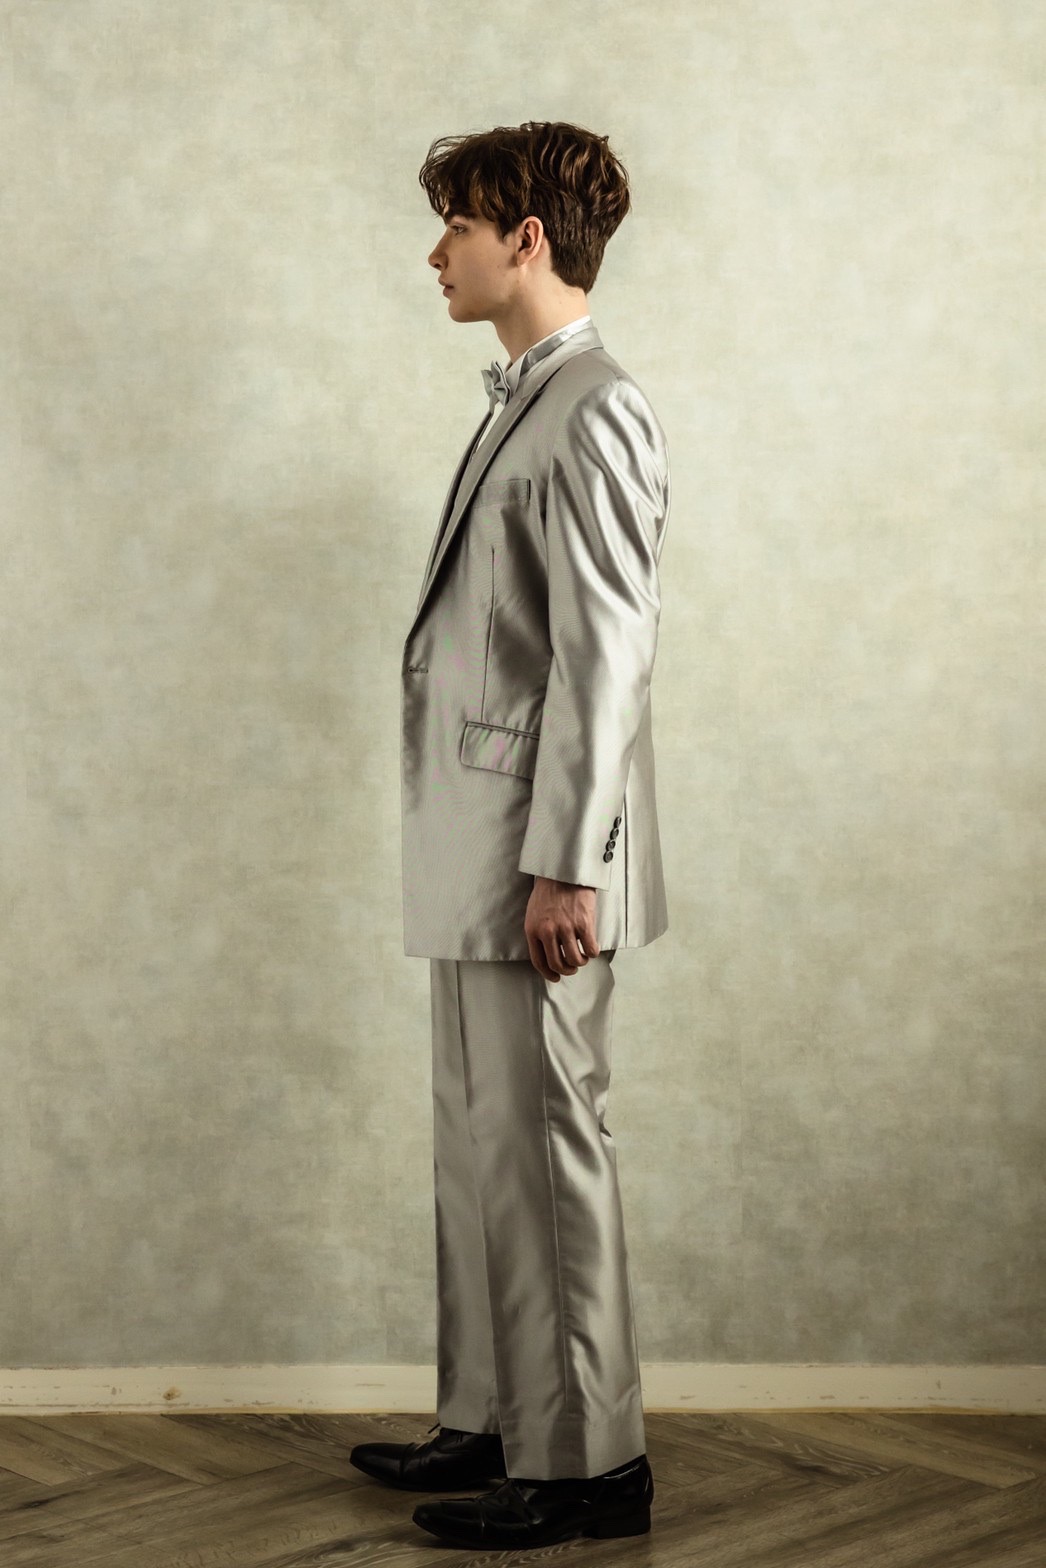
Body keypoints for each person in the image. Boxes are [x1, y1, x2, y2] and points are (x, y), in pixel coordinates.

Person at [350, 119, 671, 1552]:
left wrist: (568, 867)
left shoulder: (595, 408)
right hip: (480, 842)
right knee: (481, 1143)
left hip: (538, 859)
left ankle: (589, 1467)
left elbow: (607, 660)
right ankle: (491, 1417)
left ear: (524, 238)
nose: (438, 253)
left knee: (546, 1143)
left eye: (458, 227)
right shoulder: (522, 402)